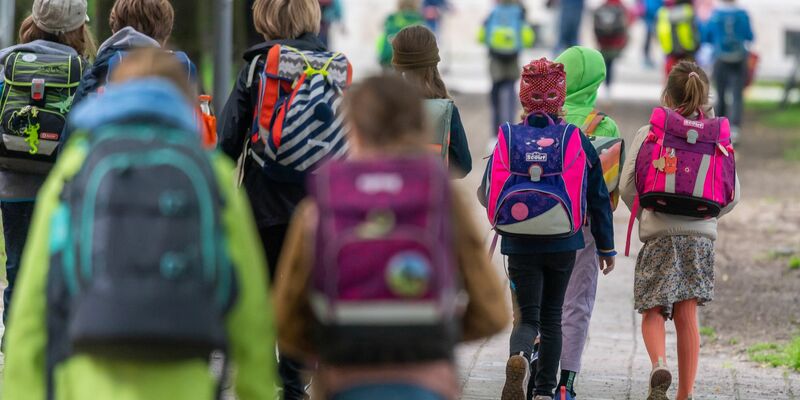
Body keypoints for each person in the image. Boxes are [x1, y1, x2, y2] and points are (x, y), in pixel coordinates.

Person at [2, 49, 277, 400]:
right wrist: (257, 390)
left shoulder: (76, 168)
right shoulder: (212, 174)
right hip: (185, 382)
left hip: (88, 381)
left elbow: (33, 304)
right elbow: (251, 307)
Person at [273, 74, 509, 400]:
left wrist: (337, 346)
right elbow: (492, 312)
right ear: (420, 126)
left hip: (343, 382)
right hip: (428, 383)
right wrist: (432, 338)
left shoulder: (323, 201)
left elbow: (286, 321)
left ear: (353, 130)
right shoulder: (441, 197)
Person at [479, 58, 616, 400]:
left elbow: (486, 192)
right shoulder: (574, 137)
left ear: (523, 97)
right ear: (560, 97)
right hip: (563, 241)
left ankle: (519, 356)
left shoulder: (509, 135)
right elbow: (598, 196)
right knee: (553, 317)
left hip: (518, 241)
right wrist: (606, 247)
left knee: (528, 317)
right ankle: (543, 391)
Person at [218, 0, 329, 398]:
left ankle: (261, 379)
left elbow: (228, 139)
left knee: (260, 294)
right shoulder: (333, 69)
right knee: (301, 295)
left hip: (262, 201)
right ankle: (294, 384)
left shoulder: (257, 67)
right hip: (318, 205)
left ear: (264, 18)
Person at [620, 61, 740, 400]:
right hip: (699, 239)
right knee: (687, 316)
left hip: (659, 234)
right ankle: (685, 394)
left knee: (652, 309)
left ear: (667, 95)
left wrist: (648, 215)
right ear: (705, 95)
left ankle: (659, 364)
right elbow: (732, 195)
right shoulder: (718, 137)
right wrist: (706, 218)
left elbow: (627, 187)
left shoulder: (651, 131)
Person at [0, 0, 96, 332]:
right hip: (62, 189)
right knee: (60, 270)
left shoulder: (7, 62)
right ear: (78, 28)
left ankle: (14, 340)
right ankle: (54, 340)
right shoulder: (83, 69)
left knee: (17, 269)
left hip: (13, 186)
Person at [549, 46, 622, 399]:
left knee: (540, 299)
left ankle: (534, 359)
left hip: (537, 224)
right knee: (576, 303)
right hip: (584, 229)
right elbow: (609, 192)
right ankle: (566, 382)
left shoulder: (541, 118)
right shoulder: (604, 126)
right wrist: (608, 246)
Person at [71, 0, 188, 108]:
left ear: (114, 29)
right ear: (166, 34)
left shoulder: (95, 73)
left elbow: (76, 121)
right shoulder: (183, 72)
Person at [391, 25, 472, 177]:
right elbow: (463, 166)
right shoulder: (447, 110)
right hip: (432, 189)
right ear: (434, 60)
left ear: (397, 61)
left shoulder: (385, 106)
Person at [479, 0, 535, 142]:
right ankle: (510, 131)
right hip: (513, 58)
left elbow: (481, 37)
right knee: (510, 93)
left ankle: (495, 134)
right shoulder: (519, 12)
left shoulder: (494, 12)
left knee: (495, 94)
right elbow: (528, 39)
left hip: (495, 58)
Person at [703, 0, 754, 143]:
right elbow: (750, 36)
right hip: (739, 59)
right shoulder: (742, 15)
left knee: (721, 94)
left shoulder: (715, 15)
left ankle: (719, 128)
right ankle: (735, 128)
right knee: (737, 95)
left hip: (720, 59)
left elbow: (706, 37)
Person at [656, 0, 700, 78]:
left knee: (671, 78)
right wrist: (696, 45)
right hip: (687, 49)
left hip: (670, 49)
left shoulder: (663, 12)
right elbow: (695, 30)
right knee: (691, 77)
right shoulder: (688, 11)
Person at [592, 0, 632, 88]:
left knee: (606, 61)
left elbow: (595, 24)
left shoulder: (602, 7)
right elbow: (626, 24)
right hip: (615, 42)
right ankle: (608, 83)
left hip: (603, 41)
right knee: (610, 62)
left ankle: (605, 82)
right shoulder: (621, 7)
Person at [377, 0, 425, 69]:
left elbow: (383, 42)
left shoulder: (392, 19)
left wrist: (383, 59)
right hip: (413, 64)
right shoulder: (420, 20)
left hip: (389, 60)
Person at [639, 0, 663, 68]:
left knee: (652, 40)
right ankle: (648, 58)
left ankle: (651, 58)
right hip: (650, 19)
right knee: (649, 40)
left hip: (655, 19)